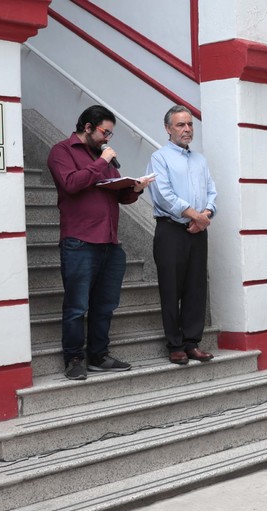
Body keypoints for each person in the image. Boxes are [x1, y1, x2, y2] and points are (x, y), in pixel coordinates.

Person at [47, 105, 154, 380]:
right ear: (88, 127)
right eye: (105, 132)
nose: (108, 138)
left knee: (105, 305)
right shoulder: (62, 151)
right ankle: (74, 358)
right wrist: (101, 162)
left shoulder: (102, 157)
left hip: (110, 242)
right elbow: (71, 183)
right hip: (79, 242)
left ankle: (98, 355)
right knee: (76, 306)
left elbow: (118, 196)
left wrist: (135, 188)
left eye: (110, 134)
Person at [146, 105, 218, 365]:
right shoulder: (159, 158)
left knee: (196, 288)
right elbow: (163, 195)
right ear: (168, 129)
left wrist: (205, 215)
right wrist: (195, 216)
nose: (187, 129)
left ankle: (192, 343)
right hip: (171, 230)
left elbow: (211, 192)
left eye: (189, 124)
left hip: (198, 231)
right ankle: (175, 345)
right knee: (171, 287)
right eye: (180, 125)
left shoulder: (200, 160)